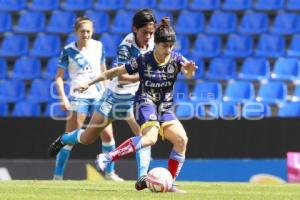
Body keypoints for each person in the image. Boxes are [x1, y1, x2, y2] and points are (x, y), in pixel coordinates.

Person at [51, 17, 196, 192]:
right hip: (129, 99)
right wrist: (89, 83)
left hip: (161, 106)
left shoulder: (175, 57)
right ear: (156, 44)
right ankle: (99, 153)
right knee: (93, 138)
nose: (168, 50)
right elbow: (116, 72)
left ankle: (159, 180)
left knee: (181, 139)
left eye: (171, 46)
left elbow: (188, 73)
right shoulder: (138, 55)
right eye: (164, 46)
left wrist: (189, 71)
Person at [49, 9, 157, 188]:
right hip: (111, 97)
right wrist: (144, 76)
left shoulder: (101, 46)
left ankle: (140, 178)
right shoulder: (125, 47)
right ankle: (64, 142)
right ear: (134, 29)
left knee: (143, 135)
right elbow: (120, 76)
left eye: (151, 33)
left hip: (132, 97)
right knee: (87, 138)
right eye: (145, 32)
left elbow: (165, 45)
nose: (148, 36)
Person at [52, 16, 123, 181]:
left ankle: (110, 174)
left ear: (92, 31)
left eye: (88, 31)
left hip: (99, 95)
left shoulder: (98, 46)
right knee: (70, 137)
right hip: (79, 96)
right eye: (82, 31)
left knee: (107, 135)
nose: (85, 34)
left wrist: (108, 94)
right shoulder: (68, 50)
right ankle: (58, 176)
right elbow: (59, 77)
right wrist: (63, 98)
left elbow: (104, 72)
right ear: (76, 32)